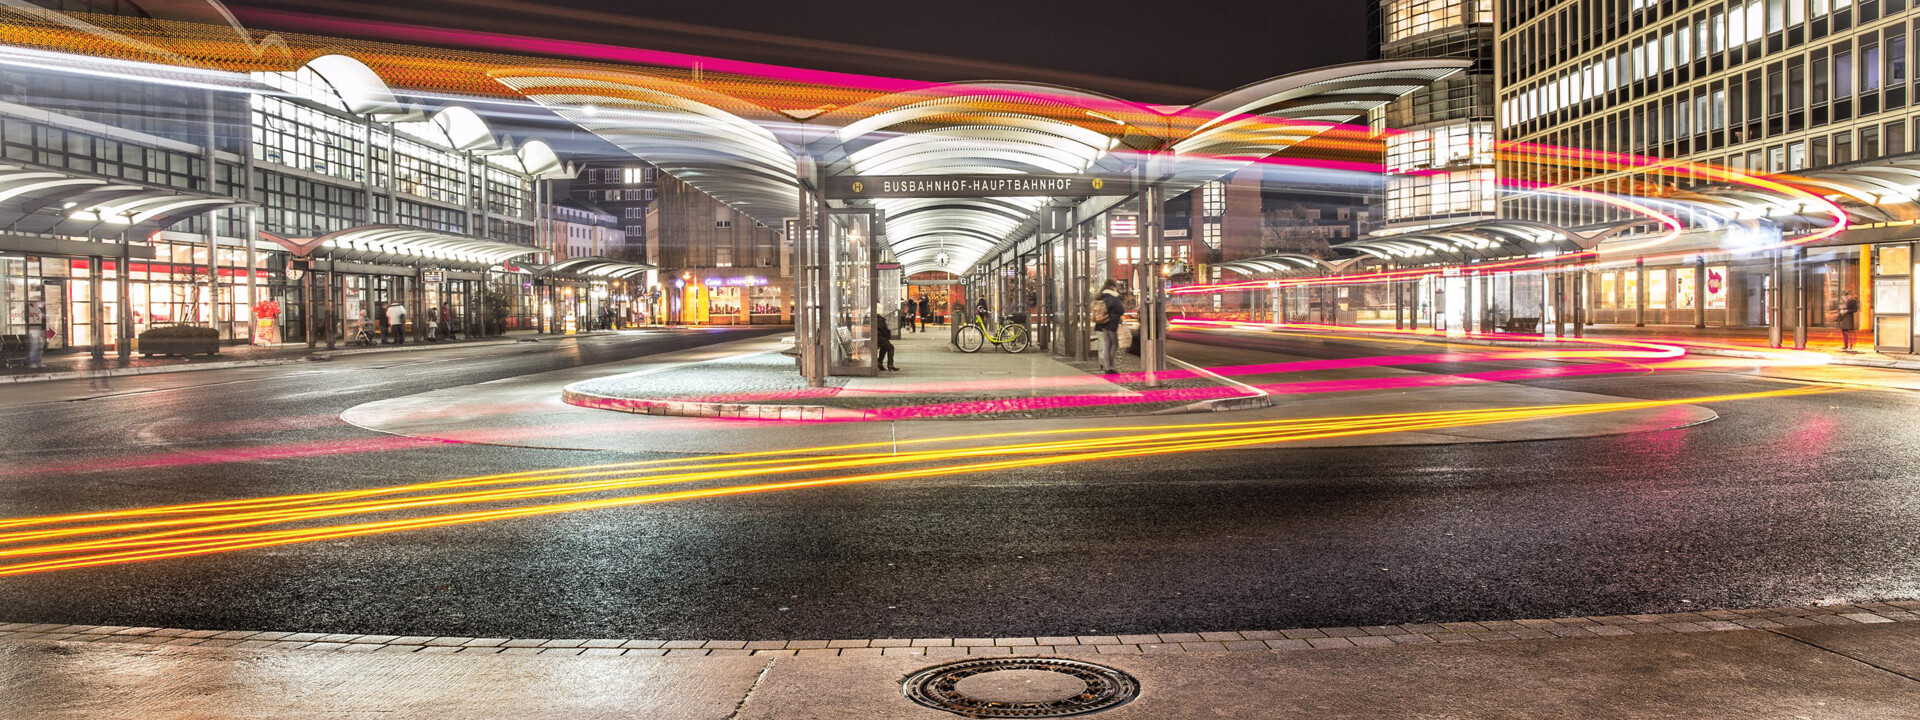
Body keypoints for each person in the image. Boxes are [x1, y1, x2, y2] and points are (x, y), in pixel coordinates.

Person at [1095, 279, 1124, 375]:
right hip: (1112, 322)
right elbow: (1121, 310)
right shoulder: (1114, 296)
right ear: (1112, 286)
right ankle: (1111, 366)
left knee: (1107, 344)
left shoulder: (1101, 295)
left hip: (1102, 322)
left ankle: (1107, 367)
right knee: (1115, 344)